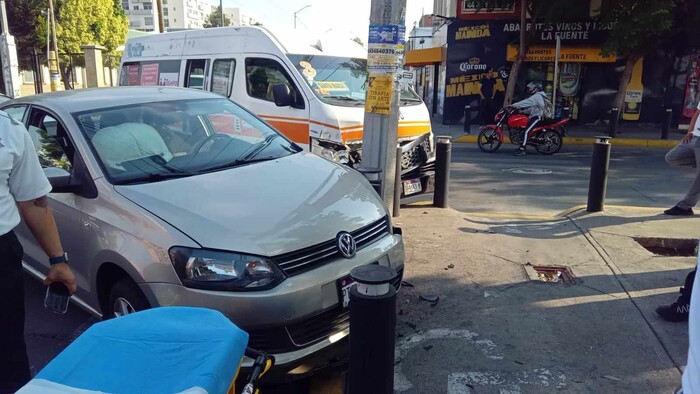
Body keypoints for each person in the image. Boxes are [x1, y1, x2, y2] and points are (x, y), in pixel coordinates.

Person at [0, 111, 76, 393]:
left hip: (1, 257)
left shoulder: (9, 130)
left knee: (7, 354)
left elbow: (33, 200)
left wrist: (58, 260)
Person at [664, 100, 700, 216]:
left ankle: (685, 206)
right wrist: (690, 131)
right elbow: (697, 113)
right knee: (672, 157)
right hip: (694, 137)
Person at [509, 81, 548, 156]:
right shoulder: (538, 96)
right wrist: (523, 111)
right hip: (535, 115)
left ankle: (522, 149)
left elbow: (526, 102)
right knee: (523, 130)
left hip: (538, 117)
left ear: (536, 89)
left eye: (531, 88)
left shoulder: (537, 96)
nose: (529, 90)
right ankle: (521, 145)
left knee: (526, 132)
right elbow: (533, 108)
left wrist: (515, 105)